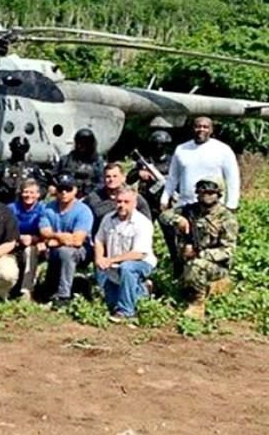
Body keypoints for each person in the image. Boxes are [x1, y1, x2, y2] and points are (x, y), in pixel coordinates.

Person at [159, 179, 238, 320]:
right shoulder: (189, 210)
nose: (206, 196)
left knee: (196, 265)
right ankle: (203, 288)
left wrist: (200, 253)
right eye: (202, 192)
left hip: (216, 265)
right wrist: (178, 219)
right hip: (186, 259)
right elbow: (164, 215)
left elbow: (227, 251)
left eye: (210, 192)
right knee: (181, 285)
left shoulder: (226, 218)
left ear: (218, 194)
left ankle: (197, 305)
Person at [93, 187, 157, 321]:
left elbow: (139, 253)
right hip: (115, 264)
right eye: (119, 201)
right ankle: (142, 289)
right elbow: (99, 239)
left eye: (126, 202)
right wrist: (99, 258)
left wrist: (110, 260)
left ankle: (126, 312)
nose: (121, 205)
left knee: (127, 267)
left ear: (134, 203)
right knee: (110, 304)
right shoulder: (108, 218)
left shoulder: (142, 223)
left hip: (140, 263)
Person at [38, 174, 94, 306]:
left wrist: (53, 240)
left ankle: (63, 296)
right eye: (61, 189)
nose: (64, 192)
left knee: (65, 252)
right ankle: (43, 289)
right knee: (46, 249)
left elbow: (77, 240)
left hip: (82, 251)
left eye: (68, 189)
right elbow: (44, 232)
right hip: (55, 247)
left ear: (75, 190)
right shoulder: (48, 208)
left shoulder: (83, 211)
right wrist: (59, 237)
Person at [162, 116, 240, 211]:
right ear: (193, 129)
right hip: (185, 205)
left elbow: (232, 179)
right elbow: (172, 178)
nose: (201, 129)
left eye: (205, 127)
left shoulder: (223, 150)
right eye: (197, 126)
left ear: (211, 130)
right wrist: (165, 199)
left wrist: (232, 203)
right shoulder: (181, 149)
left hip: (213, 208)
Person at [84, 163, 152, 233]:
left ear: (123, 178)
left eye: (115, 176)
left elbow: (147, 226)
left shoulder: (136, 199)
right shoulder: (93, 198)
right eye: (108, 176)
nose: (111, 179)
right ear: (103, 179)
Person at [8, 179, 47, 299]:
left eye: (32, 192)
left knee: (30, 251)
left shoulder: (43, 209)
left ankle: (26, 290)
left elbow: (47, 229)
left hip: (35, 244)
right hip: (13, 241)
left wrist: (36, 239)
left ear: (38, 195)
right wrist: (19, 238)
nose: (28, 195)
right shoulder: (11, 208)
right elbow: (5, 229)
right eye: (25, 192)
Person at [127, 130, 173, 218]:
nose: (158, 147)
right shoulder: (145, 162)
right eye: (156, 144)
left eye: (161, 144)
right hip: (147, 201)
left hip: (166, 200)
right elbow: (129, 179)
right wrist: (139, 173)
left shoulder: (172, 162)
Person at [0, 136, 46, 205]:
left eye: (22, 149)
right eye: (16, 148)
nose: (19, 152)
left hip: (27, 204)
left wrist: (35, 196)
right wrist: (0, 190)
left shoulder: (33, 167)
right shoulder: (3, 166)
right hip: (6, 203)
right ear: (11, 148)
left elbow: (43, 185)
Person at [53, 128, 105, 196]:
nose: (81, 146)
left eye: (85, 143)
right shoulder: (66, 160)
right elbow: (52, 176)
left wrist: (90, 195)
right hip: (66, 194)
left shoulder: (97, 161)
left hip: (89, 196)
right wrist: (53, 186)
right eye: (79, 143)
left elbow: (101, 182)